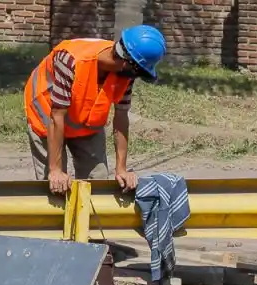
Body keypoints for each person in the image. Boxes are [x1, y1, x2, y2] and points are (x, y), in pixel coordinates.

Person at [23, 25, 167, 196]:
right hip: (48, 118)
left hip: (85, 122)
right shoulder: (70, 60)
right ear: (126, 61)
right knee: (56, 187)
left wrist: (121, 169)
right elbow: (57, 115)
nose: (136, 77)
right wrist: (55, 170)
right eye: (139, 72)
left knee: (97, 182)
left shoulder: (126, 74)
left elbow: (121, 117)